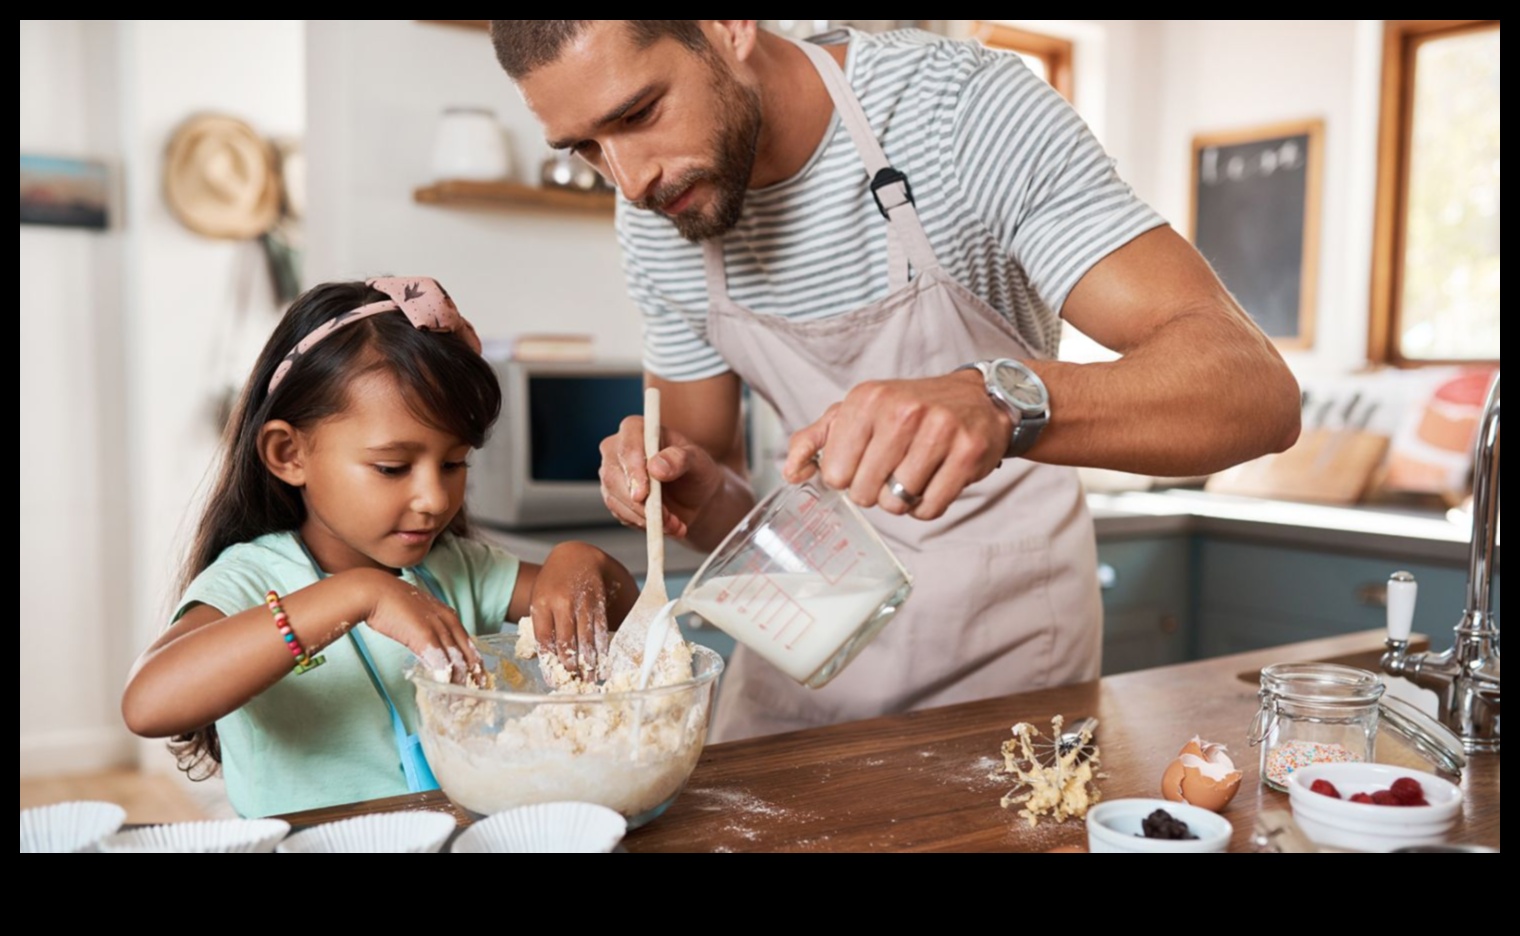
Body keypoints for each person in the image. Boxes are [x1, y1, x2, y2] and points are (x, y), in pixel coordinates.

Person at [489, 21, 1302, 741]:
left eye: (637, 114)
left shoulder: (957, 112)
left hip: (1003, 650)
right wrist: (682, 486)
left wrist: (998, 399)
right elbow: (718, 490)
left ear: (729, 26)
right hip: (801, 632)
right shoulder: (660, 211)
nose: (628, 181)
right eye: (588, 148)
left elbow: (1256, 392)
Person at [120, 278, 637, 817]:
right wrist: (358, 595)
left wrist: (583, 560)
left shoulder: (457, 569)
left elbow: (625, 616)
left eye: (454, 463)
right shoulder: (252, 578)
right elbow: (149, 704)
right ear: (288, 453)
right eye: (392, 467)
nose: (435, 498)